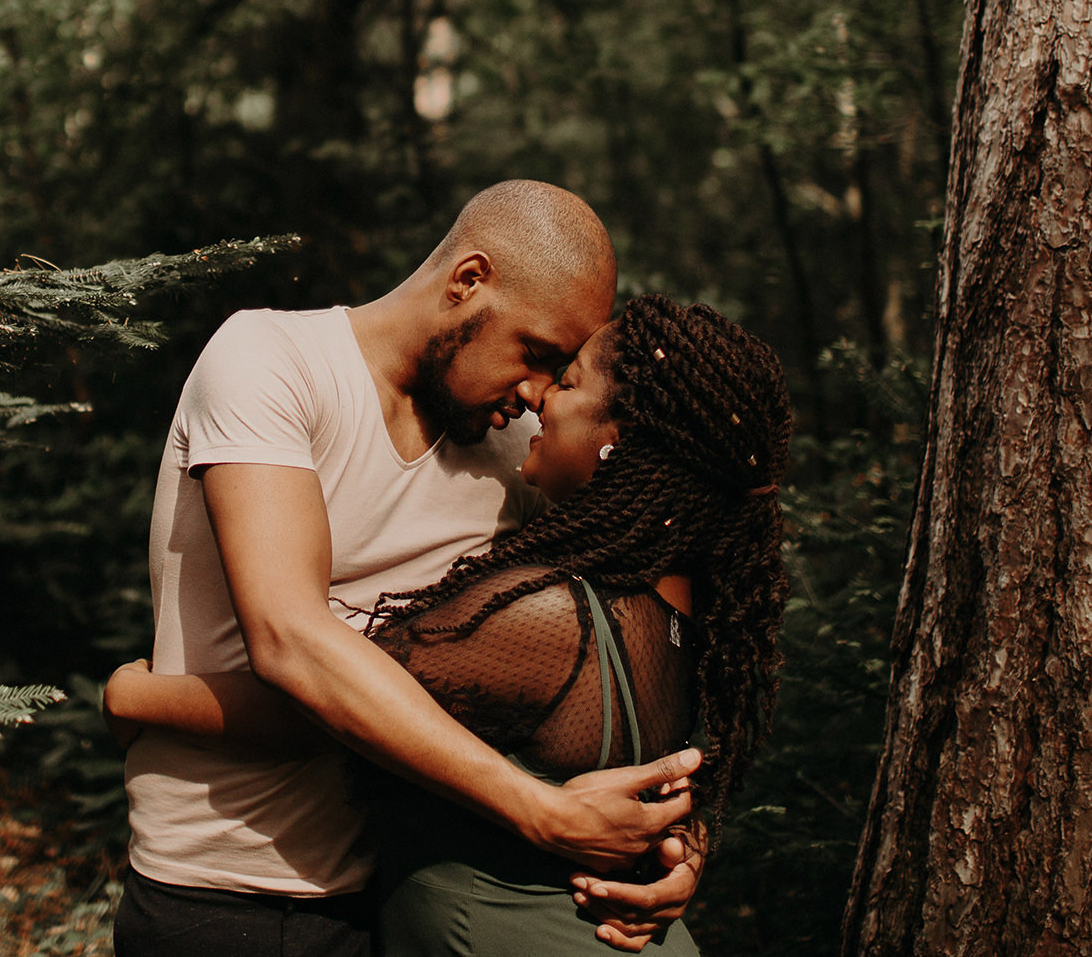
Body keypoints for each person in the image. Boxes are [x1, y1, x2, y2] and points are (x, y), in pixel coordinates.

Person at [108, 183, 706, 957]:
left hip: (398, 891)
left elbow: (626, 654)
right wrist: (537, 808)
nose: (535, 393)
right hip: (223, 897)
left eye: (559, 371)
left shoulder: (512, 454)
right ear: (468, 280)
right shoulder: (269, 362)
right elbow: (292, 640)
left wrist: (674, 842)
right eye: (534, 352)